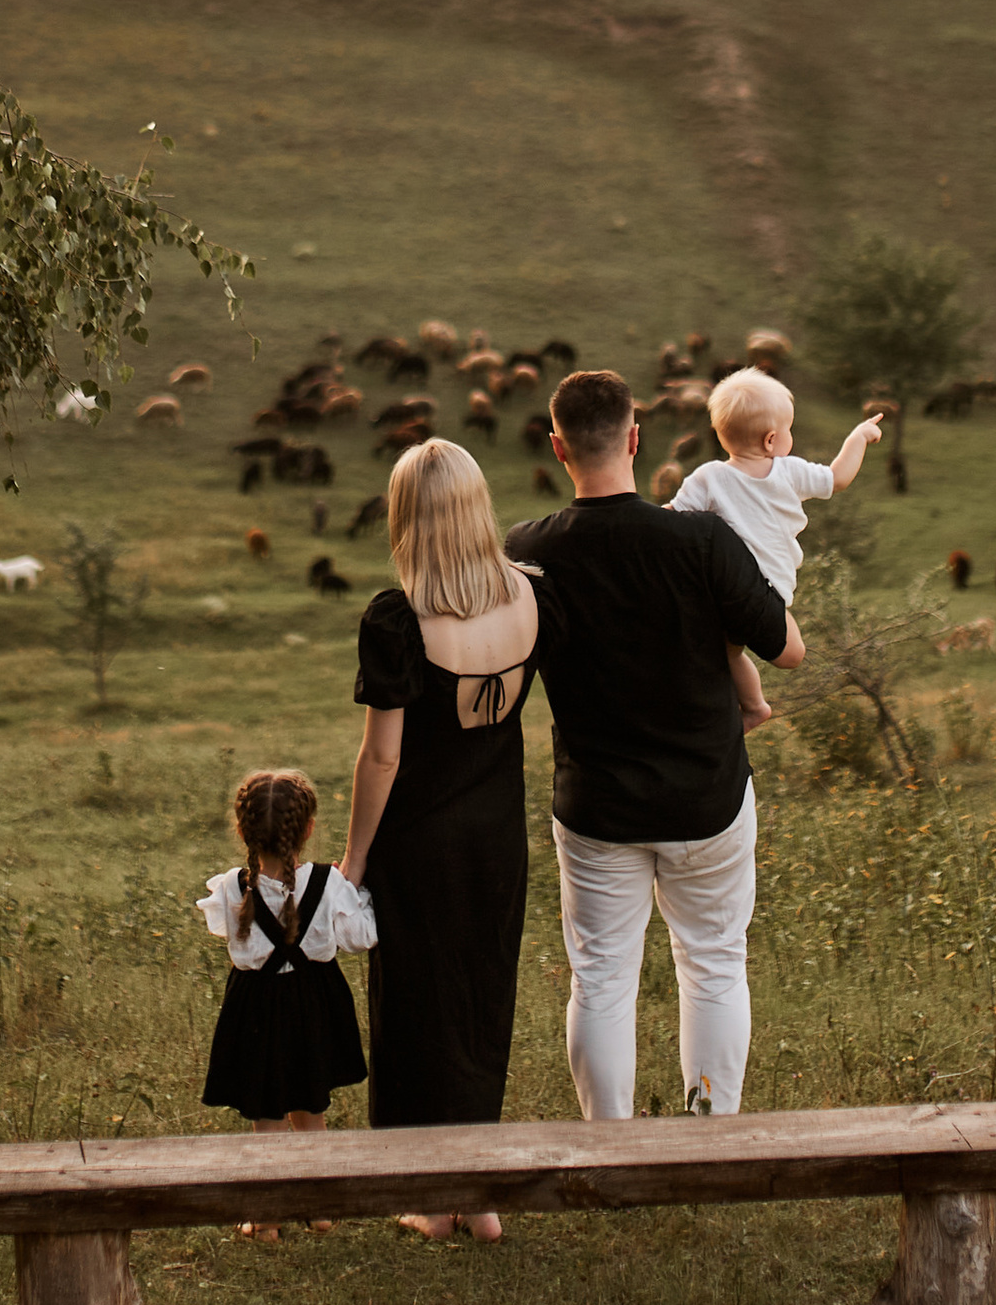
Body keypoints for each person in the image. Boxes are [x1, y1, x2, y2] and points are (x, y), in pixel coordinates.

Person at [507, 367, 802, 1124]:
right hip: (706, 798)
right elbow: (787, 649)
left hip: (597, 807)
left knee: (601, 977)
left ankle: (611, 1145)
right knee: (713, 966)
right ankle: (708, 1133)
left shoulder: (529, 551)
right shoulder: (700, 540)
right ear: (636, 439)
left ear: (557, 447)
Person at [342, 438, 540, 1241]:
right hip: (498, 838)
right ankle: (480, 1194)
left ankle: (427, 1196)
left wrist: (353, 861)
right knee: (481, 1002)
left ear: (405, 517)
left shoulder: (398, 620)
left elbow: (382, 755)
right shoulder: (533, 597)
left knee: (415, 1010)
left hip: (419, 844)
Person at [198, 768, 374, 1234]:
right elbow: (361, 937)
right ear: (308, 828)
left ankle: (268, 1215)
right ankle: (319, 1209)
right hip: (313, 1007)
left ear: (243, 830)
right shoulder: (329, 884)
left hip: (255, 1010)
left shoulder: (230, 889)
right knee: (309, 1109)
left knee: (267, 1114)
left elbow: (230, 937)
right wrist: (362, 895)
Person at [673, 367, 881, 729]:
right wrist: (859, 436)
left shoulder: (707, 477)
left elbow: (671, 519)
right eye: (789, 430)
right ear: (771, 440)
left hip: (718, 593)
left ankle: (752, 706)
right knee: (791, 653)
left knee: (729, 652)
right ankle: (754, 708)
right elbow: (839, 476)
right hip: (770, 589)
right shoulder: (788, 472)